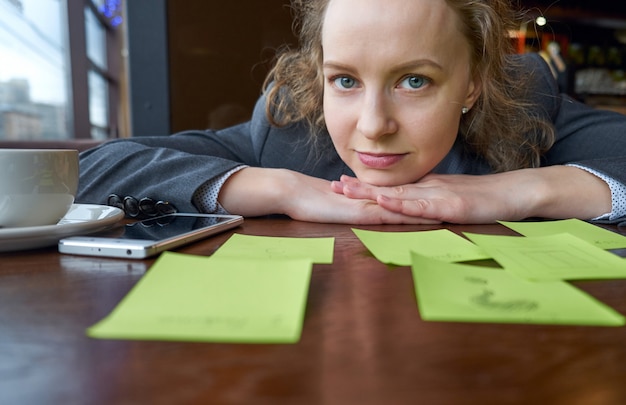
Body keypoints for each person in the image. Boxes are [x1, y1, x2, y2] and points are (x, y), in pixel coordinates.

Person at [78, 0, 626, 225]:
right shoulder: (288, 127)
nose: (372, 126)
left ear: (472, 84)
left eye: (415, 80)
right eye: (345, 80)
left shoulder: (530, 101)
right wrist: (280, 189)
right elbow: (94, 169)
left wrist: (525, 190)